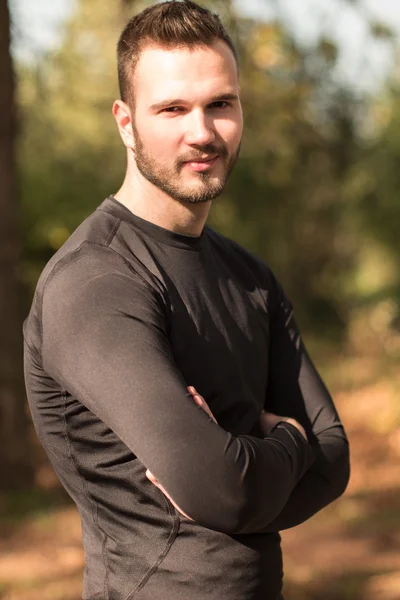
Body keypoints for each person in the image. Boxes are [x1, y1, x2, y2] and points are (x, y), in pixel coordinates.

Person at [23, 1, 350, 599]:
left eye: (219, 104)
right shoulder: (95, 283)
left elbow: (332, 462)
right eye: (172, 108)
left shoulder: (249, 275)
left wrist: (254, 460)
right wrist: (287, 441)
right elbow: (226, 489)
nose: (202, 132)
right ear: (125, 122)